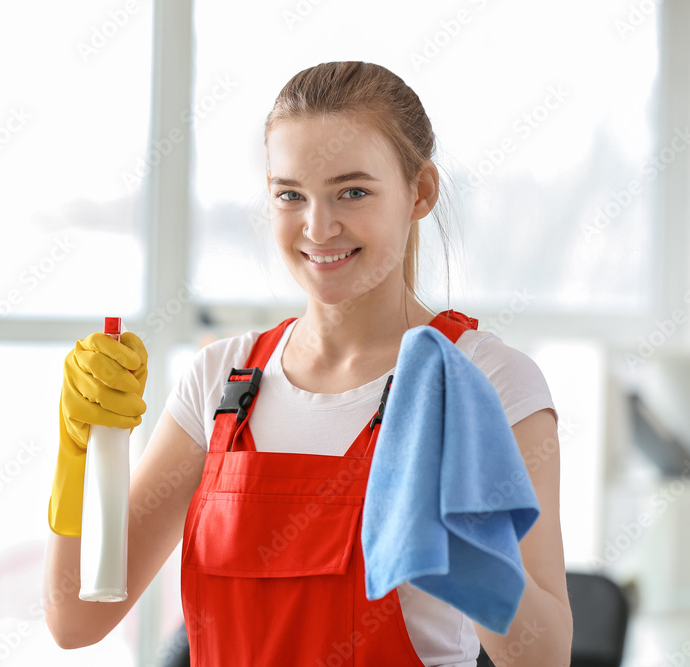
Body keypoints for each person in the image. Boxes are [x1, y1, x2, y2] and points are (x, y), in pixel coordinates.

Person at [44, 61, 573, 666]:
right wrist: (77, 452)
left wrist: (468, 549)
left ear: (419, 192)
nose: (318, 227)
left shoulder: (486, 380)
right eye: (290, 195)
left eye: (353, 191)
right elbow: (75, 620)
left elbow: (544, 656)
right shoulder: (224, 381)